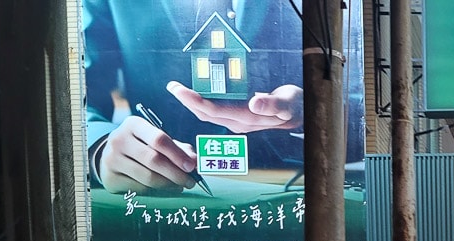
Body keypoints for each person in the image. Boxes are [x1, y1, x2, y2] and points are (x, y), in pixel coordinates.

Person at [83, 0, 305, 194]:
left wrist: (319, 108)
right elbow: (74, 94)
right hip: (163, 183)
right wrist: (100, 148)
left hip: (295, 183)